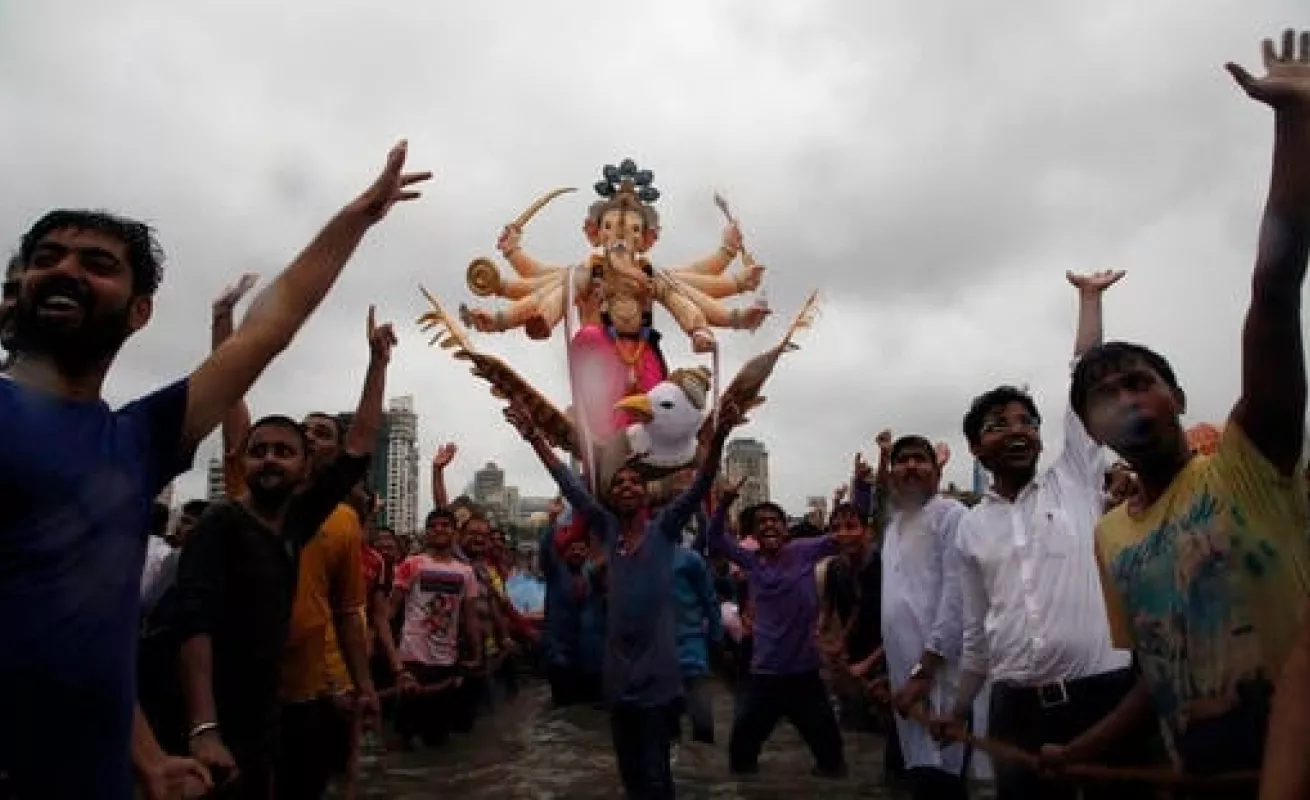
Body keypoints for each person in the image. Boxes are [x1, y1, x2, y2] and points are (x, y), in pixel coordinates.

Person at [0, 140, 428, 800]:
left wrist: (145, 758)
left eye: (97, 264)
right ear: (18, 290)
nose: (66, 272)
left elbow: (271, 328)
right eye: (47, 259)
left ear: (139, 311)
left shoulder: (135, 441)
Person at [1071, 30, 1310, 791]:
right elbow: (1157, 668)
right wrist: (1078, 752)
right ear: (1092, 432)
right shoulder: (1110, 535)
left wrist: (1295, 125)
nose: (1127, 398)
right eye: (1105, 395)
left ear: (1176, 396)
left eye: (1140, 381)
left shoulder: (1248, 464)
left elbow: (1273, 297)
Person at [933, 270, 1164, 800]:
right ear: (976, 448)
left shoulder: (1077, 480)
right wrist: (959, 709)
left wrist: (1089, 301)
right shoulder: (970, 527)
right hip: (1016, 713)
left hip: (1105, 700)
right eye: (998, 424)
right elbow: (976, 636)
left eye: (1026, 421)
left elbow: (1085, 380)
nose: (1017, 429)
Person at [176, 306, 393, 799]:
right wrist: (203, 728)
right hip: (219, 709)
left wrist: (377, 363)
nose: (270, 459)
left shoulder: (306, 520)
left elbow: (359, 445)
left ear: (306, 465)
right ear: (241, 461)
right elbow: (193, 627)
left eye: (283, 451)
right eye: (259, 451)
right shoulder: (221, 522)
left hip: (287, 700)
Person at [504, 397, 739, 800]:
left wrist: (717, 437)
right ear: (612, 497)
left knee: (656, 779)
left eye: (635, 482)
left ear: (646, 496)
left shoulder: (665, 530)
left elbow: (701, 484)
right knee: (631, 779)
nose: (627, 486)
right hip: (618, 680)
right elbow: (571, 487)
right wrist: (535, 440)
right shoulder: (608, 533)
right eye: (619, 484)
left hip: (660, 681)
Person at [707, 481, 853, 779]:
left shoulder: (804, 550)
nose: (769, 525)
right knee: (741, 756)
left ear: (786, 528)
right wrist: (724, 503)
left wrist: (860, 487)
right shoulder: (751, 560)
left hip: (805, 673)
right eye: (762, 522)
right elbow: (715, 538)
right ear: (754, 534)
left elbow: (845, 535)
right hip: (765, 675)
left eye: (775, 520)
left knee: (832, 759)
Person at [880, 437, 969, 800]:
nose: (911, 466)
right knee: (917, 776)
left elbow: (957, 599)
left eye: (920, 459)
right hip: (906, 683)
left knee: (943, 779)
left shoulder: (951, 515)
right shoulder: (893, 527)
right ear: (893, 473)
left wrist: (925, 672)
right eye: (902, 460)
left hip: (943, 678)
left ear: (937, 469)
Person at [389, 508, 480, 749]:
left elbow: (470, 617)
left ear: (454, 532)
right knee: (402, 737)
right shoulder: (412, 564)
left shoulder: (466, 572)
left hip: (446, 661)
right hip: (412, 658)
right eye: (434, 526)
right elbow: (391, 609)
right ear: (427, 533)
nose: (439, 530)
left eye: (445, 525)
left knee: (438, 738)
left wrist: (476, 653)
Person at [669, 538, 724, 746]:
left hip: (691, 646)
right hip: (657, 652)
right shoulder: (640, 559)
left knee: (702, 721)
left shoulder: (690, 559)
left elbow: (709, 600)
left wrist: (717, 639)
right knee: (667, 724)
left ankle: (702, 769)